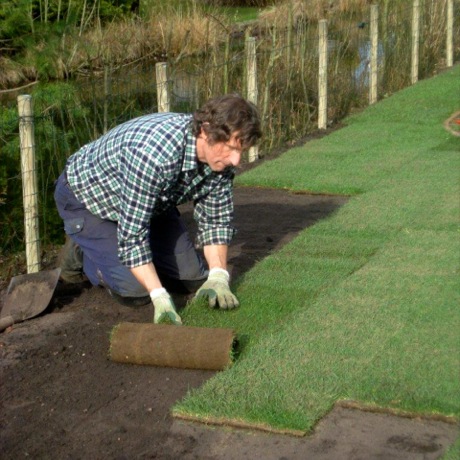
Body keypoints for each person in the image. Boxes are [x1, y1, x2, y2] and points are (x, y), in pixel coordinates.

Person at [54, 94, 262, 325]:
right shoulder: (153, 155)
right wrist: (159, 296)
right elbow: (132, 238)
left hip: (149, 204)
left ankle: (132, 249)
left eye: (241, 150)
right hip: (89, 201)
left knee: (194, 279)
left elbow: (216, 220)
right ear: (205, 131)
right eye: (231, 148)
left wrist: (219, 276)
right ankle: (83, 251)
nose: (236, 160)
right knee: (136, 292)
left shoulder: (221, 162)